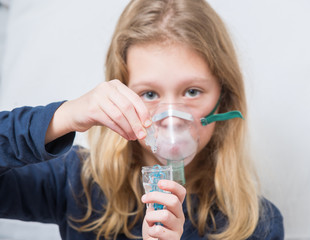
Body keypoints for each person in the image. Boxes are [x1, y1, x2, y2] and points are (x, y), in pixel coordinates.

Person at [0, 0, 284, 239]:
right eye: (149, 94)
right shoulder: (77, 183)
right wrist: (63, 117)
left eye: (193, 91)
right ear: (120, 94)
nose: (171, 118)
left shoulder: (257, 225)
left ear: (225, 98)